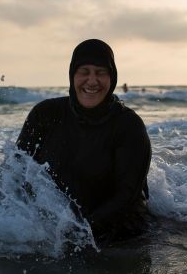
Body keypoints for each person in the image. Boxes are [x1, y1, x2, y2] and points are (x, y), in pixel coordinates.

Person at [16, 39, 151, 241]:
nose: (92, 80)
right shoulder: (45, 114)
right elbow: (15, 171)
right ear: (72, 76)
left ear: (112, 77)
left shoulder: (129, 126)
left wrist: (80, 232)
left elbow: (127, 195)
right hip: (60, 231)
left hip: (119, 234)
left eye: (101, 72)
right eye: (84, 72)